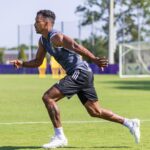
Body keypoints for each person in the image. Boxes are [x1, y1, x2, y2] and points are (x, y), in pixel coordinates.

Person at [10, 10, 140, 149]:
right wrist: (22, 63)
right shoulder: (43, 40)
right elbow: (37, 61)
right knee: (95, 111)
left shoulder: (56, 37)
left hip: (80, 71)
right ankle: (129, 122)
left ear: (46, 23)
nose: (34, 24)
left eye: (37, 22)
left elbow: (76, 46)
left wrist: (95, 59)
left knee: (48, 98)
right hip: (83, 73)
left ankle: (60, 137)